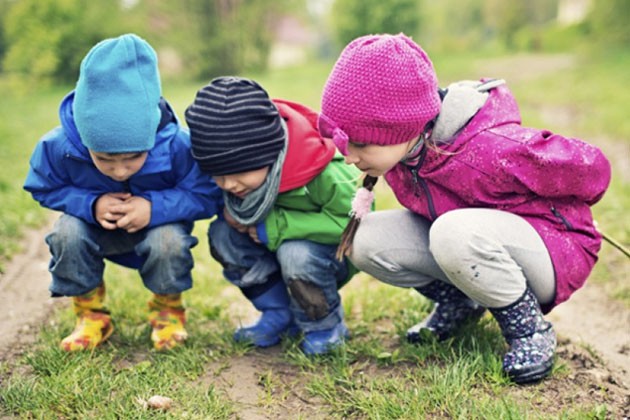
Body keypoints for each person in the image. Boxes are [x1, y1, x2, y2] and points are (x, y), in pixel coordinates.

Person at [318, 33, 611, 383]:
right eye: (345, 142)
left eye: (361, 143)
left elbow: (594, 168)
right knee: (364, 239)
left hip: (552, 251)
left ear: (401, 126)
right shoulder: (405, 154)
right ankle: (462, 303)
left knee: (451, 231)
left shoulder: (491, 149)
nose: (349, 156)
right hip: (471, 244)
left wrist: (564, 210)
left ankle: (529, 330)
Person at [24, 34, 221, 351]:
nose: (119, 170)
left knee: (168, 241)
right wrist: (91, 203)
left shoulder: (178, 145)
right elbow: (43, 185)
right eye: (103, 159)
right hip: (94, 228)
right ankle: (90, 316)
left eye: (133, 158)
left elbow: (206, 193)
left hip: (158, 227)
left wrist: (154, 208)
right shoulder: (58, 146)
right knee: (66, 233)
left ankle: (167, 311)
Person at [185, 77, 361, 355]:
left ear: (268, 155)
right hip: (273, 250)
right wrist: (229, 212)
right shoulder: (236, 180)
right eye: (218, 175)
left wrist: (275, 226)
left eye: (238, 172)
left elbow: (352, 225)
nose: (229, 184)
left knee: (296, 254)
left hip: (325, 256)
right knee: (222, 235)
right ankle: (279, 313)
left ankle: (324, 325)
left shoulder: (323, 170)